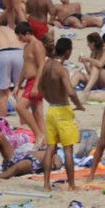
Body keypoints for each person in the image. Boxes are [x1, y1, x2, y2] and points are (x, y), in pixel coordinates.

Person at [38, 37, 85, 190]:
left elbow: (40, 87)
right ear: (67, 52)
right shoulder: (61, 70)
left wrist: (49, 99)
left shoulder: (47, 65)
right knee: (68, 149)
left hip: (51, 109)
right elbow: (70, 91)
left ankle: (46, 183)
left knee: (50, 148)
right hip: (63, 111)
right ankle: (72, 184)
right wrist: (79, 105)